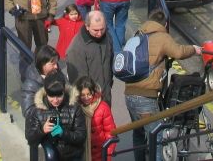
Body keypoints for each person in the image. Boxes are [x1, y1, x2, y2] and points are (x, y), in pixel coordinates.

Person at [124, 10, 201, 161]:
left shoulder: (139, 34)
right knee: (156, 136)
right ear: (165, 24)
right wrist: (193, 48)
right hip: (146, 97)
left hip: (129, 93)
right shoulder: (162, 37)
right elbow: (178, 52)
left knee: (138, 133)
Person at [25, 72, 87, 161]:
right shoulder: (37, 110)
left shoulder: (74, 107)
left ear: (64, 91)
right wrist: (42, 130)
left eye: (59, 95)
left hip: (72, 155)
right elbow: (30, 139)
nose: (55, 100)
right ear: (46, 93)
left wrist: (63, 133)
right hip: (49, 156)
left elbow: (81, 136)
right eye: (51, 96)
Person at [66, 10, 114, 105]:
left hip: (106, 96)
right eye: (96, 30)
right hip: (89, 101)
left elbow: (110, 63)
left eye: (102, 29)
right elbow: (77, 81)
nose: (100, 33)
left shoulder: (107, 37)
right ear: (87, 26)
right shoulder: (76, 48)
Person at [20, 45, 75, 116]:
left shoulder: (57, 73)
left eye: (56, 62)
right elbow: (28, 112)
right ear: (42, 64)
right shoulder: (30, 85)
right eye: (53, 63)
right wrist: (52, 118)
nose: (56, 66)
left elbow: (70, 93)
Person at [75, 76, 117, 161]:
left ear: (93, 92)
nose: (86, 98)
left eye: (89, 94)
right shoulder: (76, 108)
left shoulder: (103, 107)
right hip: (82, 153)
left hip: (100, 153)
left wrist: (108, 152)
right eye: (83, 95)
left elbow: (110, 132)